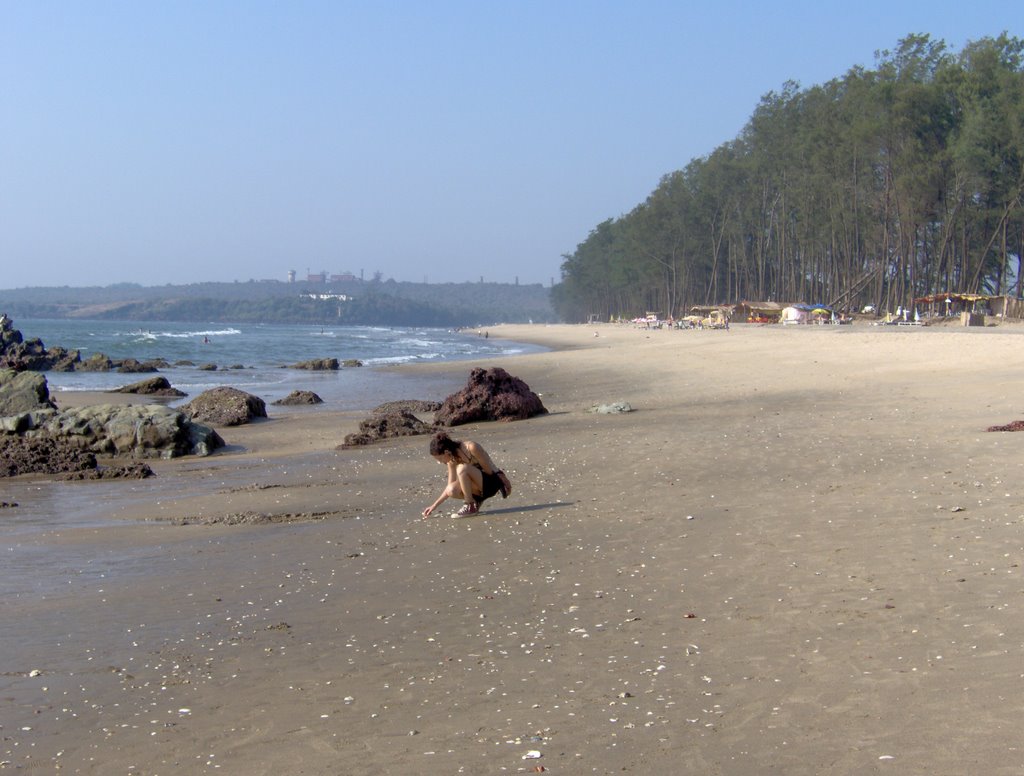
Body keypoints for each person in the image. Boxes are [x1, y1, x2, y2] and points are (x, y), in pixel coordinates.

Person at [422, 431, 512, 518]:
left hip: (491, 483)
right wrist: (434, 506)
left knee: (462, 468)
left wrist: (503, 479)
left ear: (446, 452)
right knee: (451, 490)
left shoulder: (471, 447)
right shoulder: (451, 461)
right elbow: (449, 487)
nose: (440, 462)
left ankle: (469, 505)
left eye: (440, 459)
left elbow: (490, 469)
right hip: (479, 489)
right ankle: (476, 501)